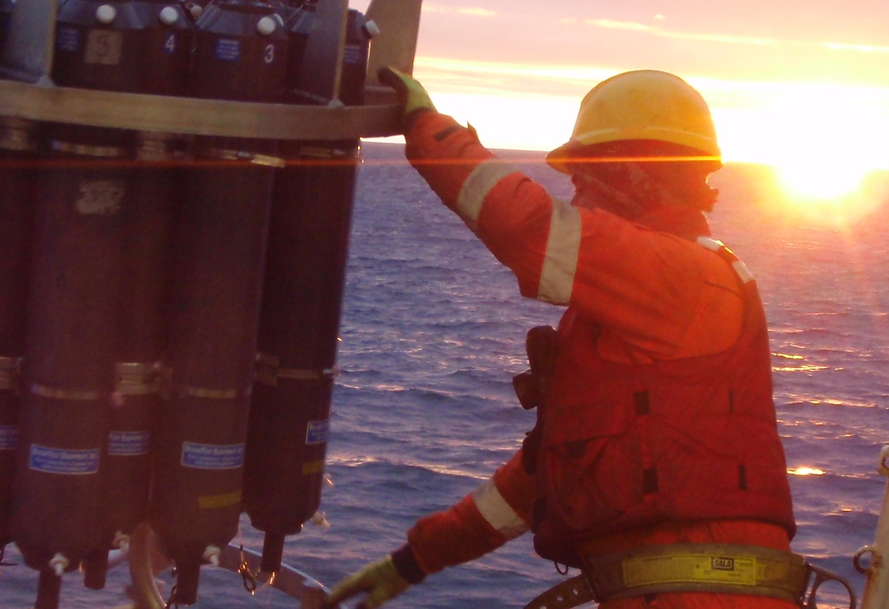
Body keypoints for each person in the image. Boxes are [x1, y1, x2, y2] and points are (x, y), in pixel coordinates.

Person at [324, 69, 801, 609]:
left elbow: (526, 226)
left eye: (583, 176)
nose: (576, 193)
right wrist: (414, 561)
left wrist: (427, 127)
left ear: (632, 172)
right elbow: (537, 482)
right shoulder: (638, 306)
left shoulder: (681, 276)